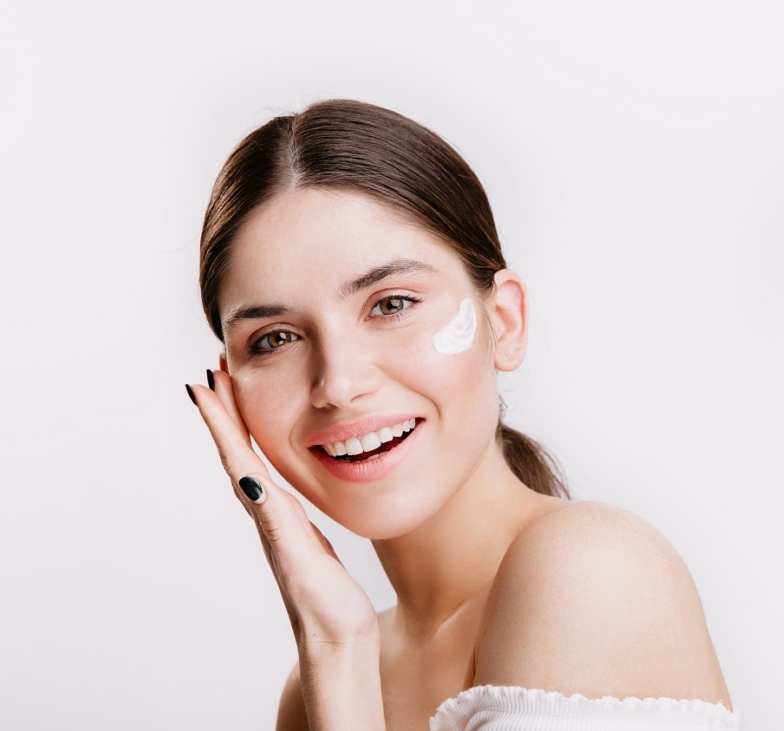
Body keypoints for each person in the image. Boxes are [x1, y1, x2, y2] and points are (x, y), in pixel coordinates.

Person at [184, 99, 737, 730]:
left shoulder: (590, 569)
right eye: (276, 339)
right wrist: (335, 650)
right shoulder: (322, 677)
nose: (337, 383)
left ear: (504, 322)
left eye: (391, 304)